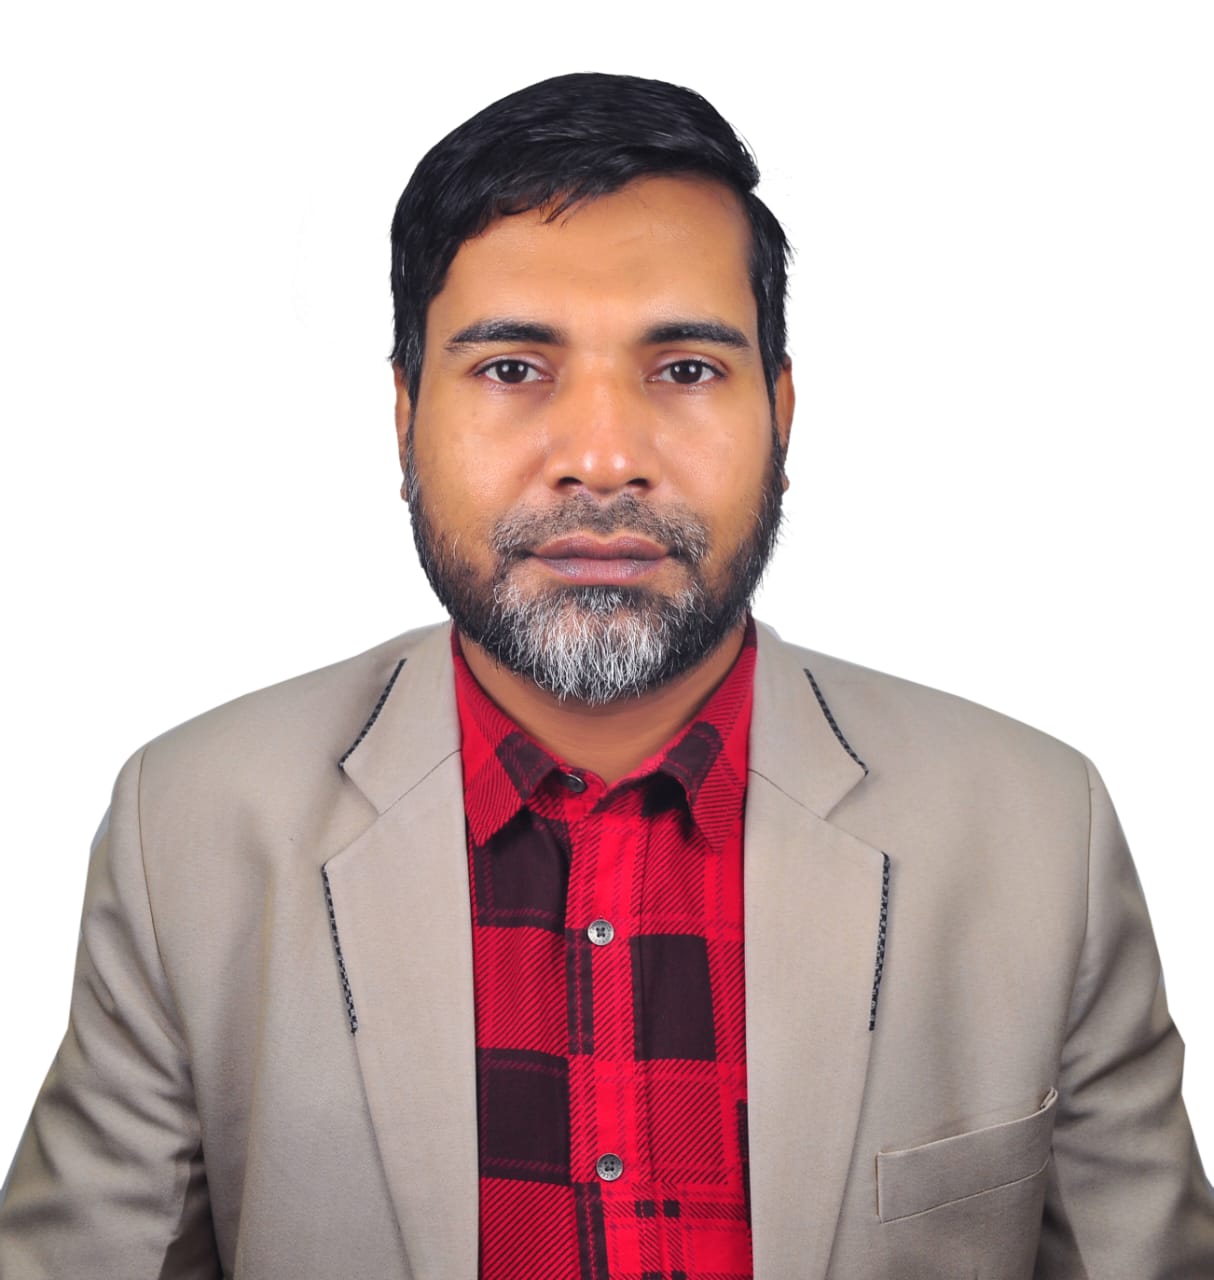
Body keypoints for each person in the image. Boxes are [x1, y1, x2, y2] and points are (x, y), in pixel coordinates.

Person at [0, 71, 1210, 1280]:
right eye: (511, 368)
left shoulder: (1035, 832)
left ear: (781, 414)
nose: (601, 456)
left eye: (683, 369)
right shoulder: (190, 829)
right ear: (403, 415)